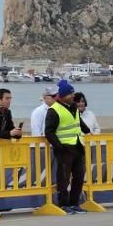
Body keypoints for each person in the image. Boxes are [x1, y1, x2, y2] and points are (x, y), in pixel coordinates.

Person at [45, 80, 90, 214]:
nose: (73, 95)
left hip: (77, 146)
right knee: (63, 178)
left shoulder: (74, 107)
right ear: (63, 95)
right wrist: (58, 147)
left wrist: (87, 131)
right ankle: (64, 204)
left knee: (79, 176)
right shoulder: (54, 110)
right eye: (70, 93)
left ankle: (75, 203)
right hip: (64, 148)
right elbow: (49, 132)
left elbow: (78, 123)